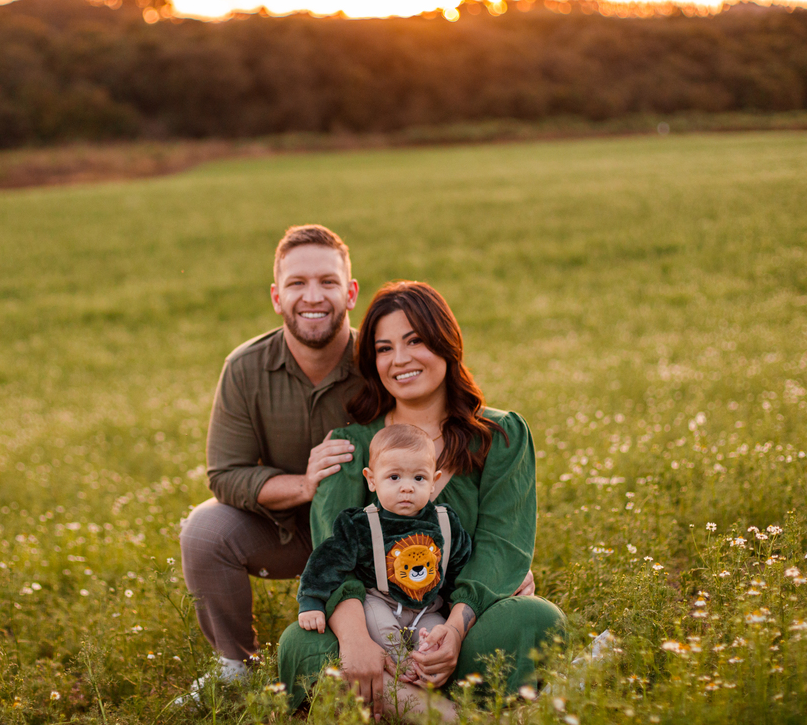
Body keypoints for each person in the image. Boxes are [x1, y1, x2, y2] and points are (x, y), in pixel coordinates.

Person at [278, 281, 566, 714]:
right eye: (383, 348)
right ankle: (450, 715)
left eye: (415, 340)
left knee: (537, 619)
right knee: (299, 646)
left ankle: (394, 704)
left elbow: (504, 546)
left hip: (456, 629)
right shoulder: (351, 445)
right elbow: (331, 554)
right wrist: (357, 645)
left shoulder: (501, 435)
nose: (400, 359)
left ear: (446, 343)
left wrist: (453, 631)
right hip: (372, 628)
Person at [178, 224, 363, 697]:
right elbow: (225, 474)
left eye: (327, 281)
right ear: (278, 297)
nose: (313, 296)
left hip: (372, 535)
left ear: (351, 292)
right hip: (288, 531)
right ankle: (234, 665)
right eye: (297, 284)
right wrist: (304, 484)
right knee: (204, 529)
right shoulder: (244, 368)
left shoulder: (380, 359)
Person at [296, 424, 472, 721]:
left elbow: (461, 566)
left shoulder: (444, 522)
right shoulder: (361, 524)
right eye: (394, 477)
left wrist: (458, 605)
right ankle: (402, 680)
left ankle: (425, 672)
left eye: (419, 478)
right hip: (380, 600)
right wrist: (311, 600)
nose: (407, 487)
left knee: (432, 638)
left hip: (427, 607)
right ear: (372, 480)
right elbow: (326, 562)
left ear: (434, 482)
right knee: (383, 631)